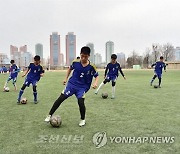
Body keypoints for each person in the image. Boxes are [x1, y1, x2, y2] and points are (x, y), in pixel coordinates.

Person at [44, 46, 99, 127]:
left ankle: (82, 119)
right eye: (82, 56)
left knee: (80, 101)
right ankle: (49, 115)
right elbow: (70, 69)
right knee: (61, 98)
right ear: (80, 54)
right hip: (72, 84)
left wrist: (95, 83)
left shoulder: (92, 66)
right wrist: (65, 78)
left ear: (89, 56)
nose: (83, 58)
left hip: (82, 87)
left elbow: (97, 76)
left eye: (85, 56)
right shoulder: (75, 62)